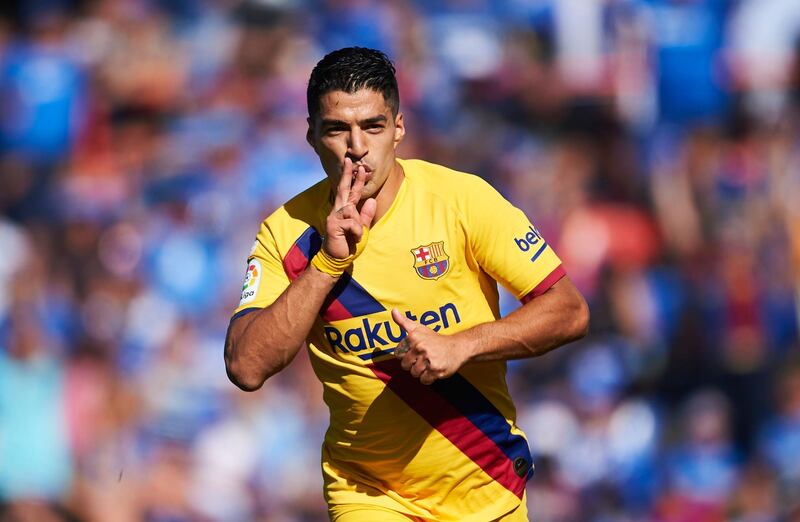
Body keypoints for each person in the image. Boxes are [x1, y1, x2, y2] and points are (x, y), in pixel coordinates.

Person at [224, 47, 589, 522]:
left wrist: (461, 346)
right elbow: (246, 367)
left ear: (398, 128)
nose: (357, 147)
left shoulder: (462, 201)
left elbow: (569, 311)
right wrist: (327, 264)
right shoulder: (287, 232)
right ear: (312, 136)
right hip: (369, 493)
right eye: (337, 129)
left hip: (485, 486)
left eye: (373, 126)